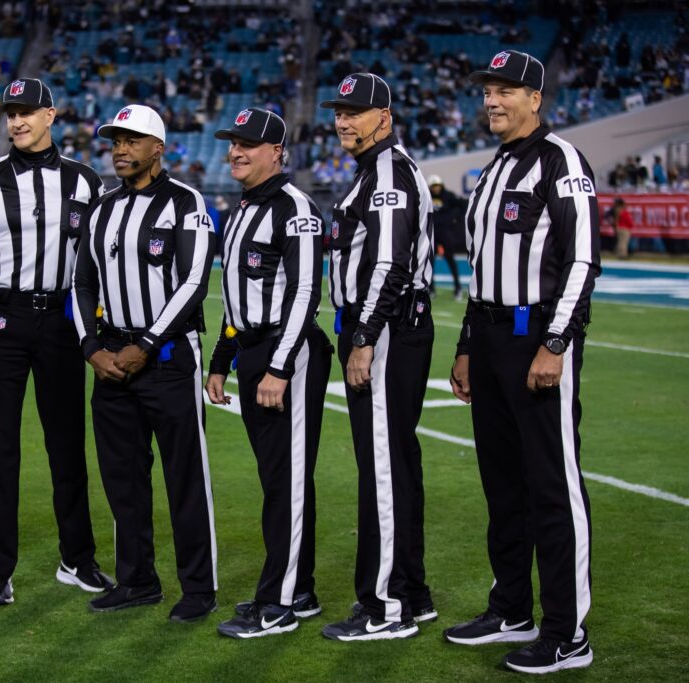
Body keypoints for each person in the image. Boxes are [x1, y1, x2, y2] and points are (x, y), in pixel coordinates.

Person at [445, 50, 598, 674]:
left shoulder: (561, 160)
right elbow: (482, 272)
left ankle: (567, 633)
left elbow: (584, 259)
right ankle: (511, 607)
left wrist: (555, 344)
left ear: (536, 97)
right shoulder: (492, 169)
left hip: (537, 337)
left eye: (506, 89)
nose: (492, 100)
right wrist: (464, 345)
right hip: (489, 340)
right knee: (503, 484)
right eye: (487, 90)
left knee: (552, 486)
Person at [0, 78, 112, 606]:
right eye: (10, 113)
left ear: (51, 115)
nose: (16, 121)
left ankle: (77, 559)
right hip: (2, 321)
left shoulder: (85, 181)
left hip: (63, 323)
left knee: (67, 446)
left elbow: (101, 258)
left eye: (27, 112)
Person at [72, 104, 218, 622]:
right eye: (114, 141)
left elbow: (194, 282)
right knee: (122, 478)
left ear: (158, 147)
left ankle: (198, 588)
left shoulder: (186, 204)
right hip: (112, 357)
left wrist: (149, 343)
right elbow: (81, 282)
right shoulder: (102, 209)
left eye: (131, 141)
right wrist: (92, 348)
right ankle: (137, 581)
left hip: (169, 359)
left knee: (185, 478)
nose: (119, 150)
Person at [315, 73, 437, 642]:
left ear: (384, 116)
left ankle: (386, 608)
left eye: (356, 111)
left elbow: (390, 265)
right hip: (386, 328)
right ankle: (411, 590)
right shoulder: (375, 170)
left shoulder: (387, 173)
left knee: (383, 471)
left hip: (384, 331)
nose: (344, 121)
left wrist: (364, 338)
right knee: (395, 464)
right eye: (339, 111)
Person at [205, 108, 332, 639]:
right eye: (233, 143)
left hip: (290, 353)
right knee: (278, 479)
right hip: (255, 350)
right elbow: (239, 299)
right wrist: (221, 358)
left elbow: (305, 291)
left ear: (278, 151)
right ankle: (297, 589)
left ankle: (277, 604)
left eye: (249, 144)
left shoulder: (294, 207)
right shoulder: (240, 209)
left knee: (288, 482)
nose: (236, 151)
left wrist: (279, 366)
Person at [426, 174, 464, 300]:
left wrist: (455, 220)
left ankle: (458, 288)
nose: (436, 188)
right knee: (430, 263)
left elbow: (462, 205)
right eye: (433, 186)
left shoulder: (448, 196)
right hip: (432, 234)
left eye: (437, 186)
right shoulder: (426, 197)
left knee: (450, 260)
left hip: (445, 233)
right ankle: (431, 289)